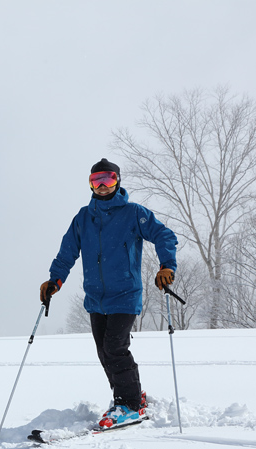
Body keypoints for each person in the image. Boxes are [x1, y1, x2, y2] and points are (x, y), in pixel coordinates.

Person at [40, 158, 178, 429]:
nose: (102, 186)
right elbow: (68, 251)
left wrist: (167, 266)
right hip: (95, 297)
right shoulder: (83, 217)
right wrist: (54, 280)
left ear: (118, 181)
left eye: (108, 180)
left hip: (125, 294)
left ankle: (130, 405)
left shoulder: (133, 213)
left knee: (115, 347)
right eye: (96, 181)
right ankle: (126, 396)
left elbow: (165, 236)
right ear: (90, 184)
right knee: (104, 352)